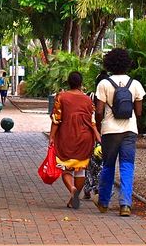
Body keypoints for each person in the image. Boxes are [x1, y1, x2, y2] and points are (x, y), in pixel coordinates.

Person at [94, 48, 145, 217]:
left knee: (108, 166)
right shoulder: (135, 84)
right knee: (127, 166)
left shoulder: (104, 84)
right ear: (127, 63)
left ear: (109, 64)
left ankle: (103, 202)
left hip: (110, 130)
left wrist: (101, 122)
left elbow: (99, 110)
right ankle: (125, 205)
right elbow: (138, 112)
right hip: (129, 130)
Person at [50, 71, 100, 210]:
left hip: (67, 136)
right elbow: (92, 120)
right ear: (81, 83)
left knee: (66, 168)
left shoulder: (62, 97)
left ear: (68, 82)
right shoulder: (88, 100)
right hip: (85, 137)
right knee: (81, 169)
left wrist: (52, 137)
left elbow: (56, 119)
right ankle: (75, 196)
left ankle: (72, 189)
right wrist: (97, 136)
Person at [83, 70, 109, 200]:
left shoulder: (90, 96)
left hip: (92, 133)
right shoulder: (111, 95)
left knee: (90, 162)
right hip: (107, 132)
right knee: (103, 162)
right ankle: (99, 187)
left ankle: (87, 189)